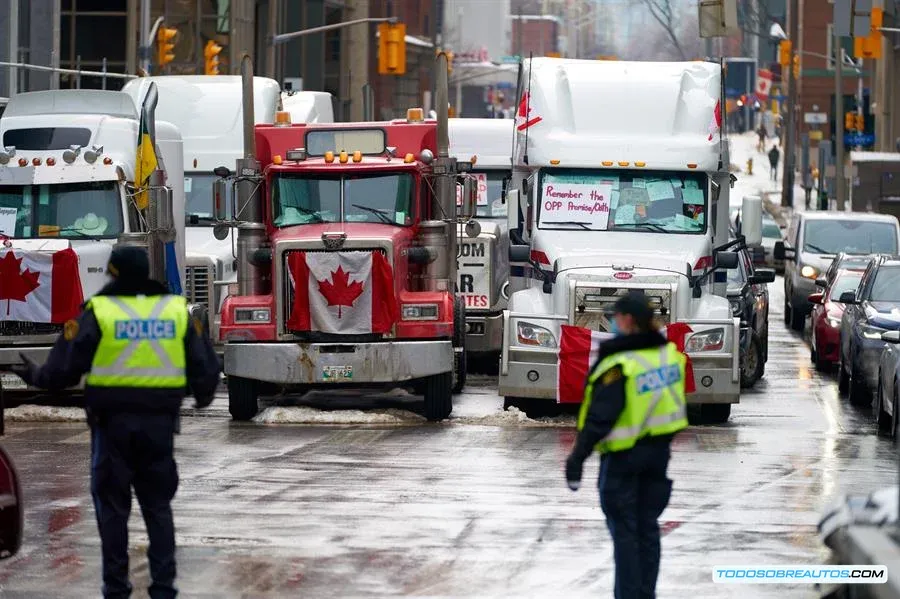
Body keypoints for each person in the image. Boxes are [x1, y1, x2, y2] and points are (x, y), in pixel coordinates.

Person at [9, 245, 221, 599]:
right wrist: (202, 396)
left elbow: (63, 370)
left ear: (114, 273)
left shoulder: (99, 311)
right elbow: (205, 364)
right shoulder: (174, 311)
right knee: (157, 508)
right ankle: (164, 589)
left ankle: (117, 589)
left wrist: (33, 375)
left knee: (112, 509)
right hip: (159, 427)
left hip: (112, 428)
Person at [565, 291, 688, 599]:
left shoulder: (620, 364)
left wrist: (577, 457)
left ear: (629, 321)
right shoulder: (667, 355)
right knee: (647, 530)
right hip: (658, 456)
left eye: (616, 317)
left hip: (623, 459)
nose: (612, 322)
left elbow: (600, 417)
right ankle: (646, 594)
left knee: (626, 535)